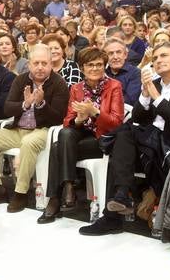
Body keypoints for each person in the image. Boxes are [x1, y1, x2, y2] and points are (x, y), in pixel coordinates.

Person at [80, 43, 170, 236]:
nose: (158, 61)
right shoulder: (152, 85)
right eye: (155, 58)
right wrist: (145, 96)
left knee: (123, 135)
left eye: (164, 56)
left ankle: (116, 209)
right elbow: (138, 117)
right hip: (147, 141)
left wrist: (155, 96)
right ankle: (121, 198)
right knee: (125, 136)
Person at [38, 47, 124, 223]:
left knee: (57, 147)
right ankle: (68, 187)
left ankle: (56, 198)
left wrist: (95, 112)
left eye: (99, 65)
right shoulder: (76, 88)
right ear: (82, 68)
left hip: (102, 140)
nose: (94, 69)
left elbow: (117, 123)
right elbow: (68, 121)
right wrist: (79, 119)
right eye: (90, 65)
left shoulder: (114, 86)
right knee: (65, 133)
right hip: (80, 136)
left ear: (104, 66)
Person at [0, 44, 69, 213]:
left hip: (44, 131)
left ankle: (21, 192)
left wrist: (41, 104)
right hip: (18, 129)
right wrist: (25, 104)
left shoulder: (59, 83)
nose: (40, 67)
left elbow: (59, 118)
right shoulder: (20, 79)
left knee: (29, 142)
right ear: (29, 64)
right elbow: (7, 108)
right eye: (36, 63)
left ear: (51, 64)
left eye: (44, 63)